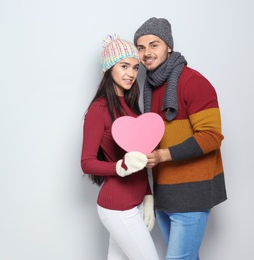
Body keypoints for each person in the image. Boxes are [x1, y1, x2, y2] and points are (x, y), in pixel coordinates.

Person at [133, 17, 227, 259]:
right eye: (141, 47)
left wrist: (164, 154)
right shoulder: (151, 88)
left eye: (154, 45)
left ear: (168, 47)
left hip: (192, 193)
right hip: (165, 192)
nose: (146, 53)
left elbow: (211, 136)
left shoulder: (193, 82)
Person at [80, 34, 159, 260]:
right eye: (124, 66)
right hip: (117, 208)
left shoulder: (133, 109)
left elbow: (141, 162)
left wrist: (147, 196)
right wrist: (120, 166)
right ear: (108, 69)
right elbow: (86, 163)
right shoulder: (99, 109)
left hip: (133, 204)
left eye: (135, 68)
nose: (131, 74)